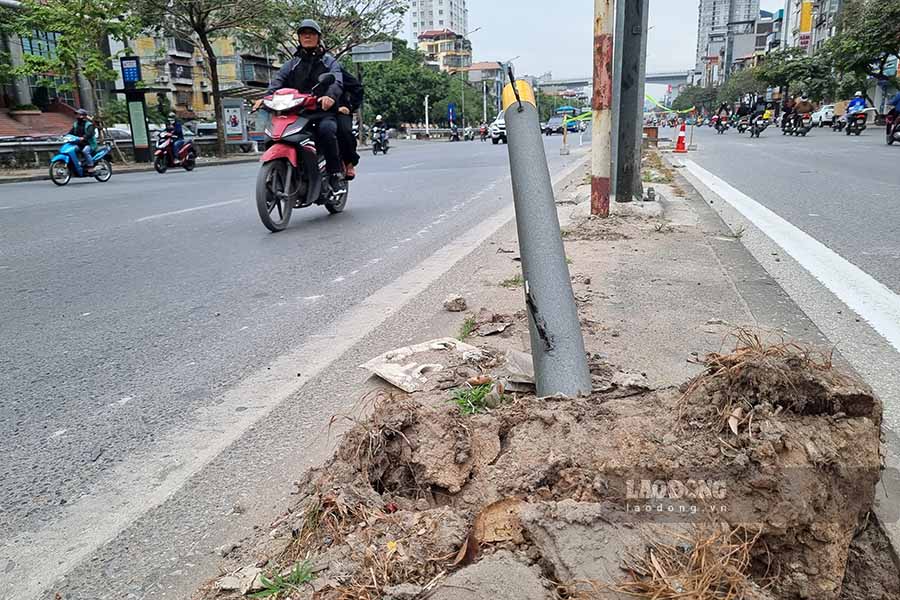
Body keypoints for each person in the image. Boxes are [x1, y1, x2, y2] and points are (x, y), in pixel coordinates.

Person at [256, 19, 344, 190]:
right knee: (276, 134)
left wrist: (329, 96)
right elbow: (277, 82)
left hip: (321, 112)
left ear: (318, 37)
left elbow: (337, 81)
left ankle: (334, 173)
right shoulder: (291, 64)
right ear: (299, 38)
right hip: (295, 113)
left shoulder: (329, 62)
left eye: (311, 33)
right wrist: (265, 97)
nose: (307, 36)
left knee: (327, 131)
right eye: (304, 33)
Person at [335, 67, 363, 179]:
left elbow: (357, 88)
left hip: (336, 110)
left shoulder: (332, 67)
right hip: (305, 109)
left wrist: (350, 107)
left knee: (343, 131)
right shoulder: (293, 65)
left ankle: (348, 162)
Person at [68, 109, 97, 173]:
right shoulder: (76, 124)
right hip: (80, 143)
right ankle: (78, 163)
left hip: (89, 144)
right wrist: (65, 136)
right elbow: (71, 132)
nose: (77, 116)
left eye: (79, 114)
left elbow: (90, 133)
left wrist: (84, 137)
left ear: (83, 116)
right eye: (77, 114)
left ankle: (90, 166)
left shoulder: (89, 125)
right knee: (72, 150)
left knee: (85, 151)